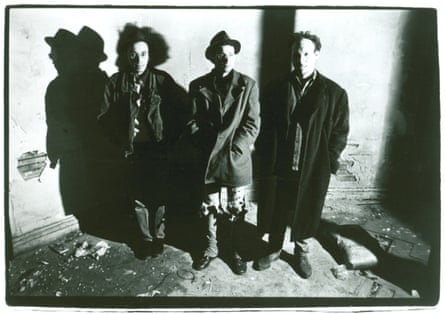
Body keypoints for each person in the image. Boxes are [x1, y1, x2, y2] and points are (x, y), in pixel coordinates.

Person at [254, 31, 349, 278]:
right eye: (297, 53)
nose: (301, 58)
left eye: (307, 53)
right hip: (281, 164)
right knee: (278, 206)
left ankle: (301, 252)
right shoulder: (276, 88)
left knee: (306, 208)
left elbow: (339, 132)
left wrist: (328, 162)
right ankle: (274, 248)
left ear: (316, 55)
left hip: (312, 165)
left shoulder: (334, 93)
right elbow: (264, 129)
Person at [98, 23, 187, 259]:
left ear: (151, 54)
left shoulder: (162, 80)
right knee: (137, 197)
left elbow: (184, 110)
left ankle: (158, 236)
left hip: (157, 150)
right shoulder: (115, 83)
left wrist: (169, 140)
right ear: (127, 55)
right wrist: (121, 135)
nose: (139, 59)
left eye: (144, 53)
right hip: (132, 151)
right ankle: (145, 239)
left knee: (159, 196)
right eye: (134, 54)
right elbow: (103, 118)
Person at [188, 31, 260, 275]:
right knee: (210, 206)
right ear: (213, 58)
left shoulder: (248, 85)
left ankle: (235, 250)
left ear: (235, 57)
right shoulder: (198, 85)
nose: (226, 59)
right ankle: (211, 248)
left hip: (234, 158)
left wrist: (235, 148)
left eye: (230, 55)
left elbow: (252, 124)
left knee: (235, 208)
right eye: (221, 55)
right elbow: (193, 120)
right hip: (208, 157)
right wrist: (205, 143)